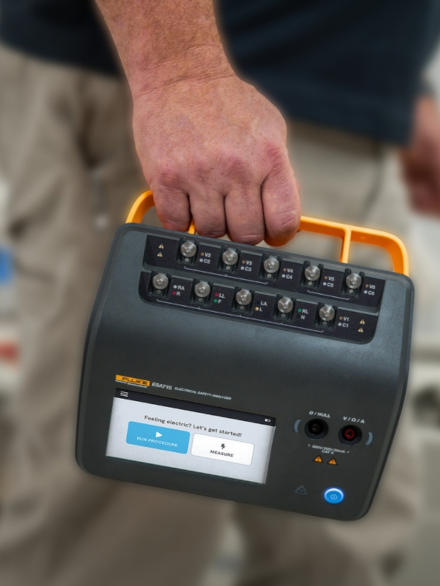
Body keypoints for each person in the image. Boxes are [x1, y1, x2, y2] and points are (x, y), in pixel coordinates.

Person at [0, 1, 439, 585]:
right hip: (182, 93)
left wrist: (386, 82)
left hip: (337, 111)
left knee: (339, 524)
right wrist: (179, 76)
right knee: (125, 527)